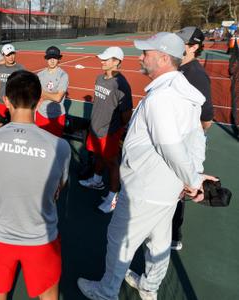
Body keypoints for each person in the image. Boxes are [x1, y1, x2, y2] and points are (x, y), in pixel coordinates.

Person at [77, 32, 217, 300]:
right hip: (168, 190)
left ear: (163, 58)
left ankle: (106, 292)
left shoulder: (161, 97)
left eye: (146, 53)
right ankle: (149, 287)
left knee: (120, 241)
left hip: (144, 190)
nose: (141, 57)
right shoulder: (183, 92)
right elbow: (196, 137)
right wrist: (192, 174)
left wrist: (194, 179)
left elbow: (169, 145)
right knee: (159, 243)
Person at [0, 70, 71, 300]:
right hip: (41, 238)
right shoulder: (60, 146)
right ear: (39, 102)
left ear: (6, 101)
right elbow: (60, 188)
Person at [170, 26, 214, 251]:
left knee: (180, 188)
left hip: (184, 143)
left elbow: (206, 118)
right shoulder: (179, 69)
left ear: (194, 47)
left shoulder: (196, 76)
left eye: (182, 42)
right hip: (172, 139)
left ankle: (174, 236)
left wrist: (195, 135)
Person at [78, 46, 133, 214]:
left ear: (116, 62)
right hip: (95, 128)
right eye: (102, 58)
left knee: (112, 163)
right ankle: (96, 180)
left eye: (106, 59)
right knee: (99, 156)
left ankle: (113, 197)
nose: (102, 61)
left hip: (109, 132)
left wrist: (115, 128)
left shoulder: (121, 85)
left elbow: (126, 115)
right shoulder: (99, 78)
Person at [35, 46, 69, 137]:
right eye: (50, 58)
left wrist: (43, 93)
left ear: (58, 59)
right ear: (46, 59)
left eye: (55, 58)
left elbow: (58, 98)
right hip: (41, 114)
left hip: (57, 117)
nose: (52, 60)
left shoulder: (63, 75)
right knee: (40, 141)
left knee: (55, 144)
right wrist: (51, 95)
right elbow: (36, 95)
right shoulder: (40, 75)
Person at [0, 44, 24, 129]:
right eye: (8, 55)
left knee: (13, 128)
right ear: (3, 55)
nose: (11, 57)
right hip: (0, 103)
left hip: (14, 104)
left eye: (12, 54)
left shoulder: (20, 68)